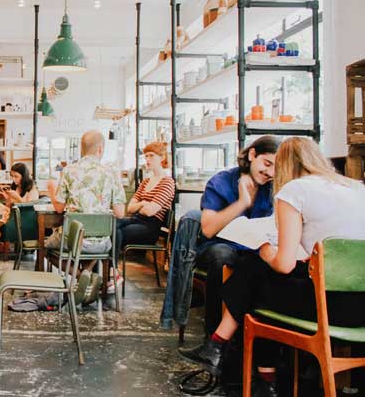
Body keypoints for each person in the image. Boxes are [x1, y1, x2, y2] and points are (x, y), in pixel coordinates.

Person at [179, 137, 365, 396]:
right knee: (259, 275)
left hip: (328, 308)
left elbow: (284, 264)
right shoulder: (357, 188)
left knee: (257, 274)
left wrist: (265, 249)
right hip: (360, 309)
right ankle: (250, 365)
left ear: (285, 165)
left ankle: (225, 352)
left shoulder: (294, 191)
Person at [160, 136, 279, 335]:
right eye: (267, 164)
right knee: (223, 256)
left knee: (270, 263)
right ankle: (213, 340)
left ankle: (262, 345)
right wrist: (241, 203)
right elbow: (208, 229)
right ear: (252, 154)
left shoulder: (272, 189)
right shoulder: (221, 181)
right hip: (217, 247)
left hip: (255, 250)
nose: (270, 172)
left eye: (276, 168)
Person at [47, 130, 126, 294]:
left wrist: (51, 191)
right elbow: (120, 213)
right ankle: (88, 277)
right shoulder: (111, 173)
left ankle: (81, 276)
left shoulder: (68, 171)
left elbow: (59, 208)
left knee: (45, 247)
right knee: (94, 247)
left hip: (73, 240)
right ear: (100, 148)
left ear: (81, 149)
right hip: (102, 243)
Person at [116, 141, 175, 251]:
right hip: (136, 220)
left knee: (117, 232)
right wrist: (143, 203)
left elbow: (149, 211)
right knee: (111, 225)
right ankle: (109, 265)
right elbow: (129, 208)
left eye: (151, 156)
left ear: (162, 157)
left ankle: (111, 265)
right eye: (146, 156)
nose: (147, 159)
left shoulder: (167, 182)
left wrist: (139, 206)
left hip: (150, 227)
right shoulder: (146, 181)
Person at [0, 162, 39, 261]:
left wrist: (16, 197)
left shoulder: (32, 188)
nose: (13, 179)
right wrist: (7, 197)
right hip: (11, 214)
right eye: (12, 176)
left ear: (24, 176)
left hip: (22, 217)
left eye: (16, 176)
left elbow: (29, 206)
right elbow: (9, 206)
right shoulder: (15, 187)